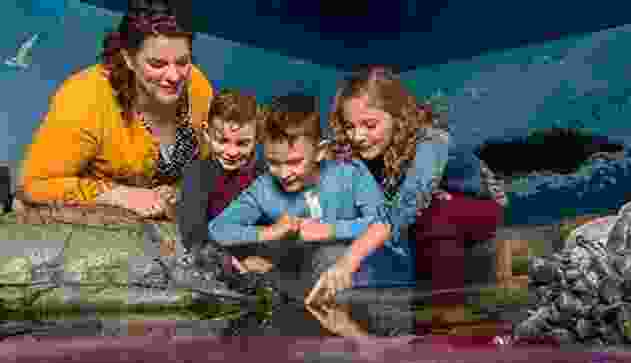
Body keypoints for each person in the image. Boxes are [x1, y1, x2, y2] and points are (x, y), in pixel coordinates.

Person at [16, 0, 213, 219]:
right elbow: (33, 186)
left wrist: (179, 192)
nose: (174, 76)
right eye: (157, 64)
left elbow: (207, 167)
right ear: (128, 58)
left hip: (159, 222)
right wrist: (118, 195)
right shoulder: (86, 96)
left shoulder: (198, 86)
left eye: (183, 62)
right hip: (89, 218)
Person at [208, 92, 408, 305]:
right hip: (309, 281)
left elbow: (387, 224)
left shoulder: (350, 172)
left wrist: (329, 230)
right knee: (242, 258)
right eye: (274, 162)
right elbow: (217, 228)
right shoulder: (265, 187)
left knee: (327, 254)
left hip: (373, 276)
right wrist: (269, 232)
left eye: (295, 162)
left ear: (319, 152)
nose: (284, 173)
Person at [328, 66, 505, 297]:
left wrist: (348, 261)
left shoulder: (431, 141)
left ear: (398, 117)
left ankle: (446, 304)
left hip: (480, 204)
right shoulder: (356, 147)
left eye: (370, 125)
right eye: (350, 127)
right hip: (431, 202)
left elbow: (406, 205)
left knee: (432, 212)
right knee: (422, 210)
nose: (358, 136)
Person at [175, 88, 267, 274]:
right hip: (214, 256)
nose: (231, 152)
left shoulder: (264, 175)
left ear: (257, 139)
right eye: (222, 141)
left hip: (256, 257)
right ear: (207, 134)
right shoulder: (197, 174)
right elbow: (193, 231)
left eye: (242, 143)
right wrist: (221, 259)